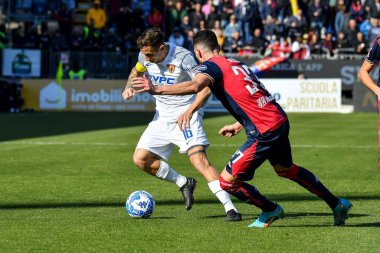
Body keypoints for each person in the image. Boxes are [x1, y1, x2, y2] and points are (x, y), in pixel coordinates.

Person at [131, 29, 353, 228]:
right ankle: (336, 203)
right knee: (286, 169)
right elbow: (256, 94)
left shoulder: (210, 66)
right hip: (278, 120)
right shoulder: (236, 63)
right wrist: (240, 123)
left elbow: (194, 85)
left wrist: (156, 88)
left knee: (227, 181)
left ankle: (270, 210)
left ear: (198, 52)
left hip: (263, 130)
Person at [121, 28, 241, 221]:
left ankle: (231, 209)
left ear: (162, 47)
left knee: (198, 160)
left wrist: (190, 111)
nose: (148, 59)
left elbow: (205, 87)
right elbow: (136, 70)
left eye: (151, 54)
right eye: (145, 55)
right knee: (140, 159)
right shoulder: (145, 57)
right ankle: (183, 182)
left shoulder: (183, 57)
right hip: (162, 117)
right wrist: (128, 87)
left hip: (187, 114)